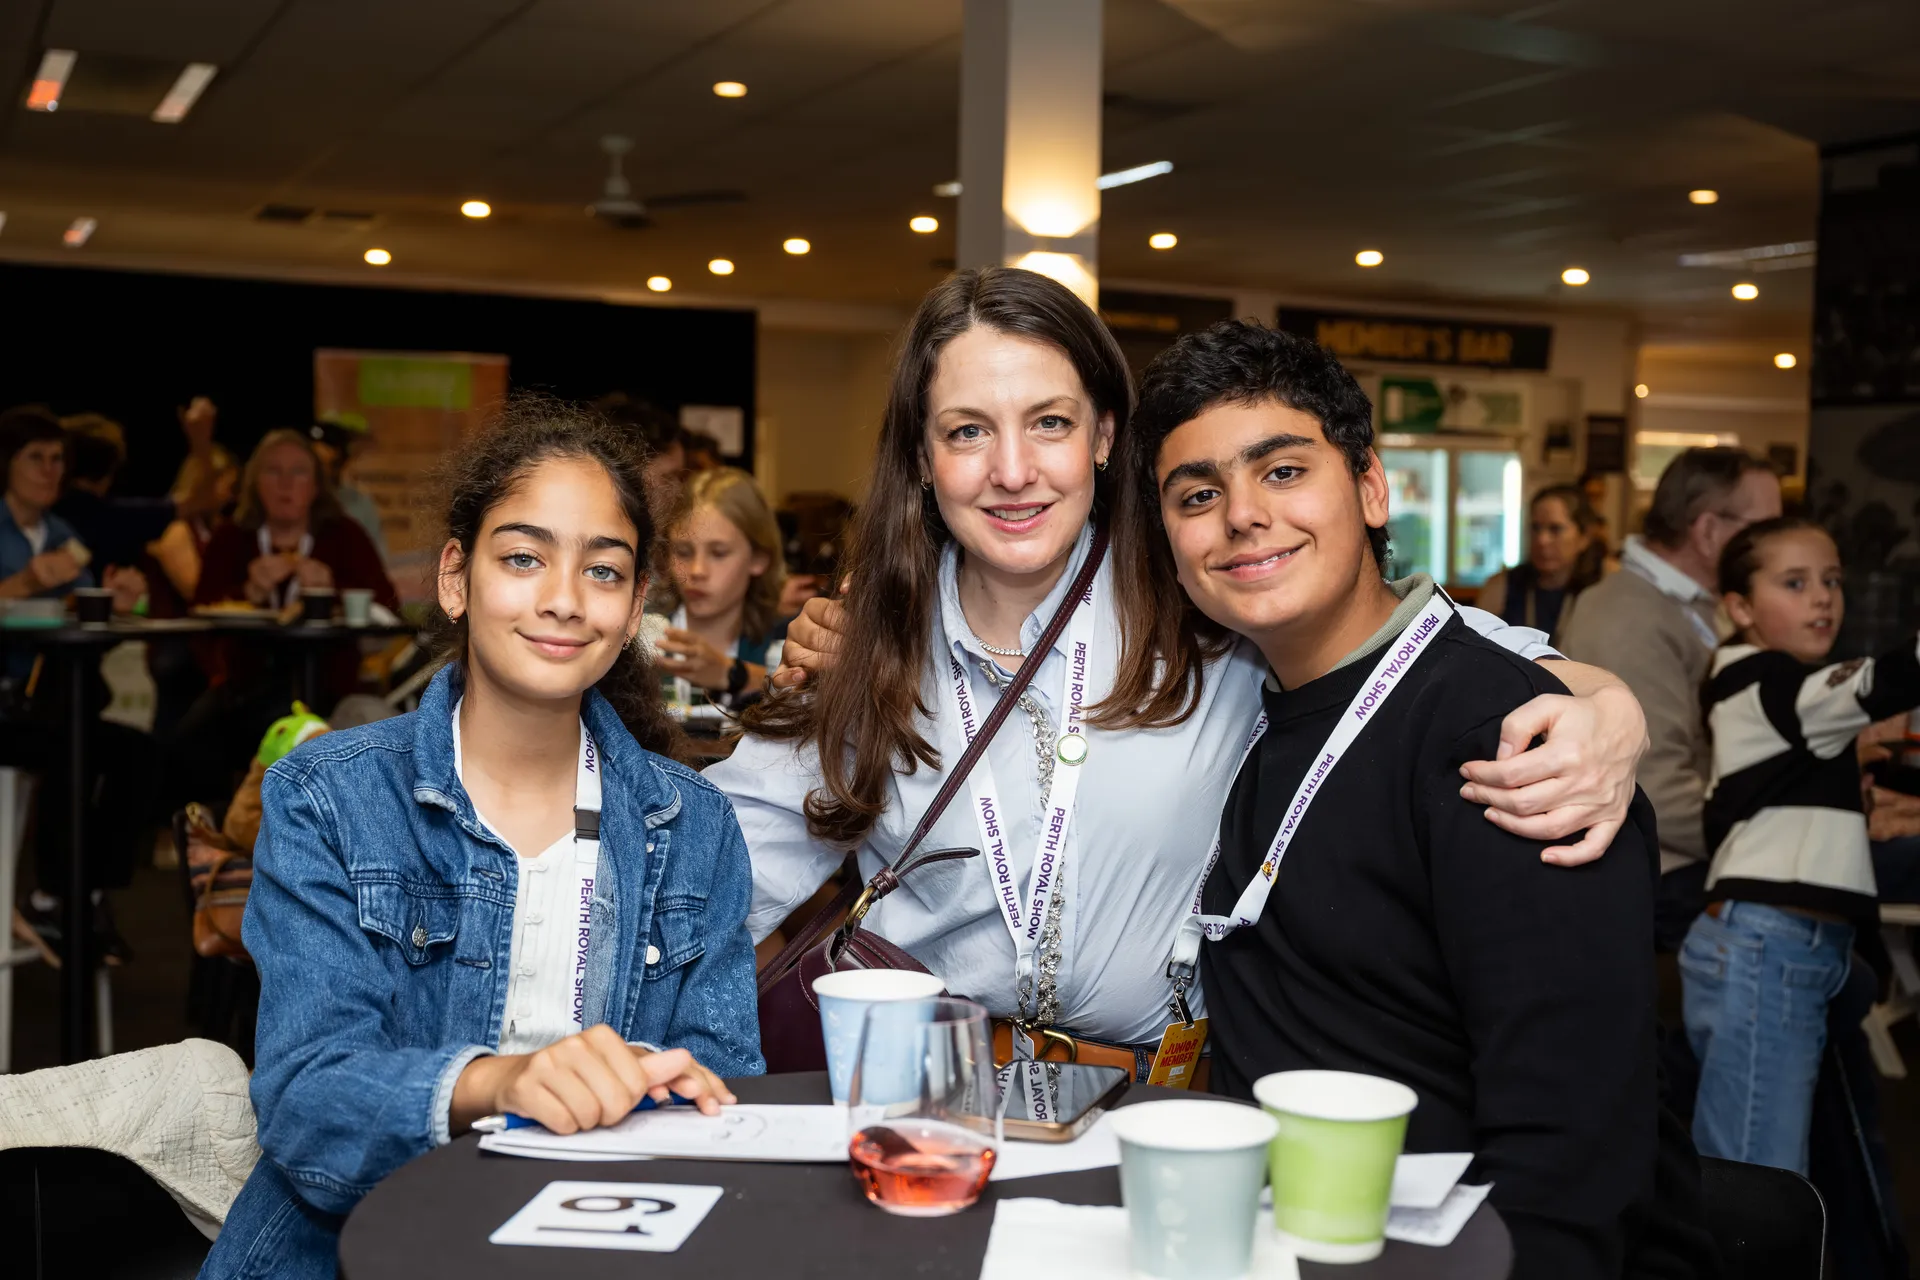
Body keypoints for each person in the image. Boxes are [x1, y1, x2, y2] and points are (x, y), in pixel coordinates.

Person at [720, 267, 1647, 1075]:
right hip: (928, 1099)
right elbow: (723, 869)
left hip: (1154, 1108)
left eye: (1049, 423)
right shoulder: (865, 645)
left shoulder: (1206, 603)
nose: (1012, 470)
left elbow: (1408, 644)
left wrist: (1606, 703)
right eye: (966, 432)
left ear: (1104, 436)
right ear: (922, 459)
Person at [1135, 319, 1714, 1280]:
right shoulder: (1244, 706)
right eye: (1198, 495)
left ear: (1371, 487)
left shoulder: (1514, 740)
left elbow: (1572, 1154)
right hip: (1298, 1235)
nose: (1242, 515)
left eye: (1283, 472)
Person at [201, 400, 761, 1280]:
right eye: (524, 558)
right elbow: (308, 1099)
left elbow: (728, 1084)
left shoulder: (695, 825)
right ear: (456, 578)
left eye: (603, 571)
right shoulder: (329, 798)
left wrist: (657, 1085)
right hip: (344, 1251)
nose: (564, 600)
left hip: (595, 1242)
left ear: (635, 608)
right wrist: (500, 1083)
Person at [1684, 516, 1920, 1175]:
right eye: (1795, 583)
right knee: (1757, 1178)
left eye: (1832, 581)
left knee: (1764, 1169)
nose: (1822, 598)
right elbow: (1874, 684)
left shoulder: (1780, 690)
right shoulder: (1760, 680)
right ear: (1739, 607)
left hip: (1789, 945)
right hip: (1768, 943)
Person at [1558, 447, 1782, 951]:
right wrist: (1778, 837)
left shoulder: (1695, 603)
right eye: (1765, 528)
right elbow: (1652, 784)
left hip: (1703, 854)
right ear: (1709, 531)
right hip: (1666, 873)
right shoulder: (1627, 614)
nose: (1777, 543)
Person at [0, 408, 152, 966]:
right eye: (35, 458)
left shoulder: (63, 535)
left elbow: (81, 632)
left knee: (135, 752)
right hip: (10, 705)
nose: (50, 470)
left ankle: (78, 895)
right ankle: (57, 897)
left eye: (57, 458)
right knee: (74, 740)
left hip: (51, 701)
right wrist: (23, 583)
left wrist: (117, 604)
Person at [651, 467, 788, 711]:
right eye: (683, 552)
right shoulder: (643, 633)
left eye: (718, 553)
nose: (697, 570)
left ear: (758, 558)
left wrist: (733, 674)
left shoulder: (784, 642)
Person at [1475, 484, 1606, 638]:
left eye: (1555, 529)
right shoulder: (1502, 587)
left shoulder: (1604, 586)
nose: (1541, 540)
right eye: (1535, 528)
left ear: (1584, 537)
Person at [307, 414, 388, 563]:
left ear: (341, 462)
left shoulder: (359, 504)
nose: (320, 472)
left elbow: (377, 559)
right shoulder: (297, 502)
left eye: (326, 465)